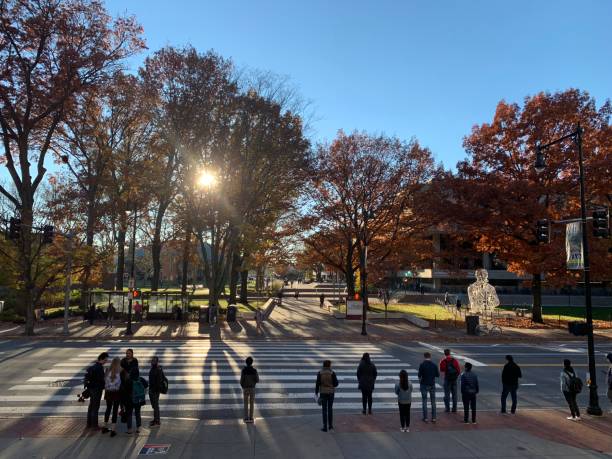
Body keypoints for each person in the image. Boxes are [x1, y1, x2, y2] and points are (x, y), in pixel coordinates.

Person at [86, 352, 108, 429]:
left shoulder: (93, 366)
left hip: (91, 388)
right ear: (101, 359)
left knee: (91, 406)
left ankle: (89, 424)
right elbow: (101, 380)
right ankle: (94, 425)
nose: (106, 361)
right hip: (97, 389)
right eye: (105, 360)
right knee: (95, 407)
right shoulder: (99, 368)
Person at [315, 360, 338, 432]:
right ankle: (330, 426)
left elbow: (317, 383)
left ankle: (325, 426)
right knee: (330, 409)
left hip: (323, 392)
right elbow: (336, 384)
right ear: (329, 365)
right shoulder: (332, 373)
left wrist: (316, 392)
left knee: (324, 410)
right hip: (331, 392)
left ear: (323, 365)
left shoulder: (320, 373)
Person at [102, 357, 121, 437]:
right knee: (115, 410)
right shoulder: (119, 372)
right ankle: (113, 430)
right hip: (116, 393)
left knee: (108, 409)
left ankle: (105, 426)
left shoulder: (107, 370)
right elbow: (119, 383)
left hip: (108, 392)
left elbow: (104, 381)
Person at [418, 352, 439, 422]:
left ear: (424, 356)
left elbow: (419, 375)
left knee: (424, 401)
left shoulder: (422, 365)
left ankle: (425, 417)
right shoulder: (434, 365)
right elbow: (437, 375)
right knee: (433, 401)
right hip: (432, 384)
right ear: (430, 356)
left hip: (424, 384)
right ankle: (434, 418)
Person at [439, 349, 460, 413]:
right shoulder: (455, 360)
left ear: (444, 353)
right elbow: (458, 370)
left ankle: (447, 408)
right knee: (454, 395)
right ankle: (454, 408)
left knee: (447, 395)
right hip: (454, 379)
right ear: (450, 353)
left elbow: (441, 370)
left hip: (447, 379)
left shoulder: (443, 361)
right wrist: (455, 376)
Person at [240, 357, 260, 423]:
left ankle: (246, 418)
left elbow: (241, 381)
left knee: (245, 403)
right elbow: (257, 380)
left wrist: (243, 386)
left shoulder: (244, 370)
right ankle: (251, 417)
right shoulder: (254, 370)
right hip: (252, 388)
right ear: (252, 362)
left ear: (246, 362)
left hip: (245, 388)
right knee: (252, 403)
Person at [148, 356, 165, 427]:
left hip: (155, 390)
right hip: (152, 389)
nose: (153, 362)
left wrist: (154, 389)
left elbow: (159, 381)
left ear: (157, 362)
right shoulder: (153, 368)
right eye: (152, 360)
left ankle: (157, 421)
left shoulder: (158, 369)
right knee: (154, 406)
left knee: (155, 405)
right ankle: (155, 419)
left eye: (154, 361)